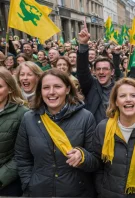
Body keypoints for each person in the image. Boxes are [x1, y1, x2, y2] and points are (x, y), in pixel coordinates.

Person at [15, 69, 97, 197]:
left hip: (76, 192)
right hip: (39, 192)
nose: (51, 92)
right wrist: (29, 183)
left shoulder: (86, 118)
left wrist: (83, 157)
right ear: (40, 91)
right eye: (46, 87)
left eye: (57, 86)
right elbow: (22, 158)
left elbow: (96, 160)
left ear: (68, 89)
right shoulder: (28, 118)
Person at [76, 24, 122, 123]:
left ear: (112, 72)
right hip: (94, 133)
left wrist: (116, 56)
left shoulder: (119, 88)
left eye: (105, 69)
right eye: (98, 69)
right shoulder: (91, 85)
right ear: (94, 71)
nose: (101, 72)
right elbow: (82, 70)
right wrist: (83, 44)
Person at [0, 68, 28, 196]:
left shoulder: (23, 114)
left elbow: (22, 154)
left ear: (10, 89)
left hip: (7, 183)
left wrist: (1, 178)